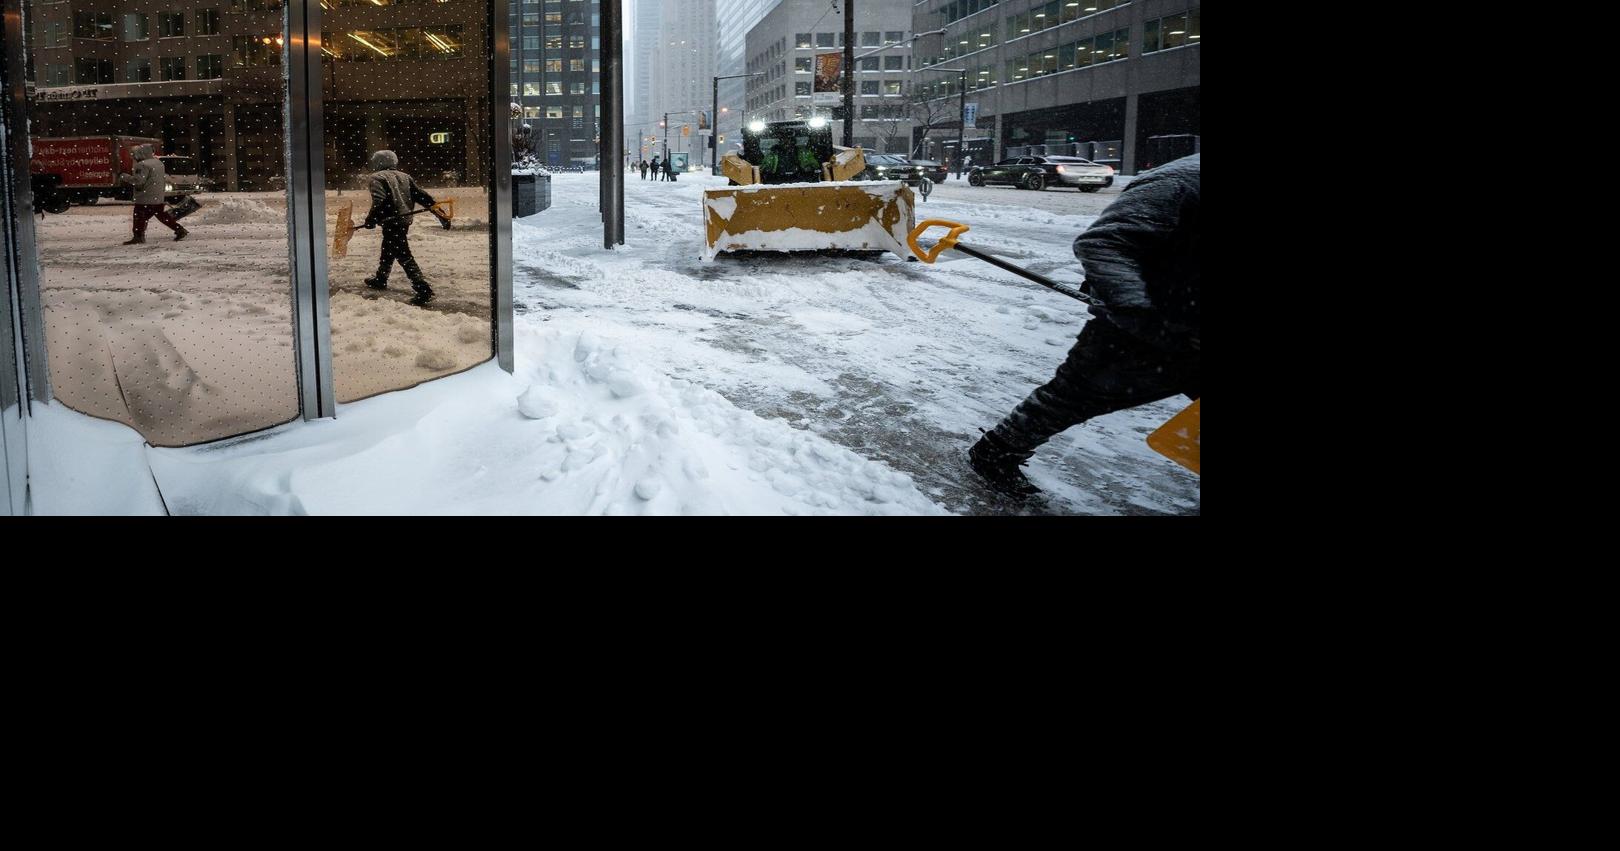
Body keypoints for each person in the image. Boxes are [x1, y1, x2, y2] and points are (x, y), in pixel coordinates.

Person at [969, 153, 1200, 499]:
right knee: (1073, 397)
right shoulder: (1180, 182)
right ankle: (996, 453)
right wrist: (1137, 309)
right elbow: (1103, 243)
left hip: (1186, 323)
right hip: (1141, 326)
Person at [361, 149, 444, 307]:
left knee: (403, 254)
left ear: (379, 162)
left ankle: (423, 289)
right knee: (389, 247)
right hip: (404, 220)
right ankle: (381, 277)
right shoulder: (405, 176)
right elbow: (422, 196)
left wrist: (371, 219)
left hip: (392, 221)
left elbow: (380, 201)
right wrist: (440, 215)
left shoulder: (377, 178)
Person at [119, 145, 187, 244]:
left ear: (141, 153)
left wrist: (124, 176)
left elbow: (138, 181)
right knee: (161, 215)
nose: (134, 157)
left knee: (139, 216)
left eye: (135, 154)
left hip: (145, 197)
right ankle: (179, 229)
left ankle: (138, 237)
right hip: (157, 195)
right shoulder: (159, 163)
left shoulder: (142, 165)